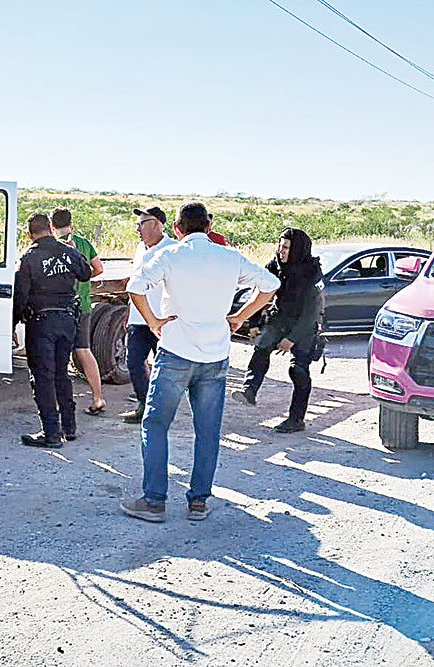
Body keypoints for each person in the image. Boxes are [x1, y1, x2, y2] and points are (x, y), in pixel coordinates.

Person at [120, 202, 280, 522]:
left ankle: (154, 500)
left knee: (155, 424)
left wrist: (153, 321)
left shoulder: (169, 256)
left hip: (176, 351)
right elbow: (270, 285)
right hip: (216, 355)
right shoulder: (230, 258)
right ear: (209, 225)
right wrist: (239, 317)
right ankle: (198, 502)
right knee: (207, 431)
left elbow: (134, 287)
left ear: (177, 228)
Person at [233, 227, 325, 434]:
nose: (281, 251)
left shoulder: (312, 271)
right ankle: (249, 390)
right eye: (280, 246)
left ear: (298, 250)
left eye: (286, 248)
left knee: (298, 371)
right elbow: (261, 293)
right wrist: (254, 323)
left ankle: (296, 419)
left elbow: (313, 310)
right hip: (280, 317)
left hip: (303, 324)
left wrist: (292, 338)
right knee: (261, 347)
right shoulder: (274, 265)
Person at [14, 212, 92, 447]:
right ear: (50, 227)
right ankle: (69, 427)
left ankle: (51, 433)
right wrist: (72, 252)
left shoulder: (29, 257)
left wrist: (12, 324)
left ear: (29, 235)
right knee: (61, 373)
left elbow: (21, 295)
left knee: (42, 376)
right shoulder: (68, 251)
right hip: (67, 320)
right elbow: (86, 273)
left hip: (41, 322)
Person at [120, 206, 176, 424]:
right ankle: (144, 405)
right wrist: (128, 312)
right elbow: (134, 284)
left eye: (142, 223)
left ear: (157, 224)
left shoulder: (173, 249)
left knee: (166, 367)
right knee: (134, 362)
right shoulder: (139, 249)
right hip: (138, 320)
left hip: (163, 320)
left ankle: (163, 409)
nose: (137, 228)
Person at [50, 207, 107, 415]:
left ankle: (57, 401)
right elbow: (99, 269)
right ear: (71, 224)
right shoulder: (83, 243)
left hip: (61, 307)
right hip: (82, 305)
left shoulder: (54, 246)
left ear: (52, 226)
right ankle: (98, 397)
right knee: (84, 350)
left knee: (58, 355)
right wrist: (84, 278)